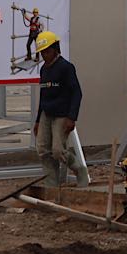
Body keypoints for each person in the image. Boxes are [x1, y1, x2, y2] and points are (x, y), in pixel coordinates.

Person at [33, 31, 88, 187]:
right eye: (42, 52)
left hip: (62, 114)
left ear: (55, 49)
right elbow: (43, 95)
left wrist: (72, 117)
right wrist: (38, 120)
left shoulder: (66, 67)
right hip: (46, 113)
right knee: (43, 149)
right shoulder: (44, 70)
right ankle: (51, 184)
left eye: (47, 51)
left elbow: (77, 93)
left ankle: (79, 169)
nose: (45, 55)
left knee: (58, 150)